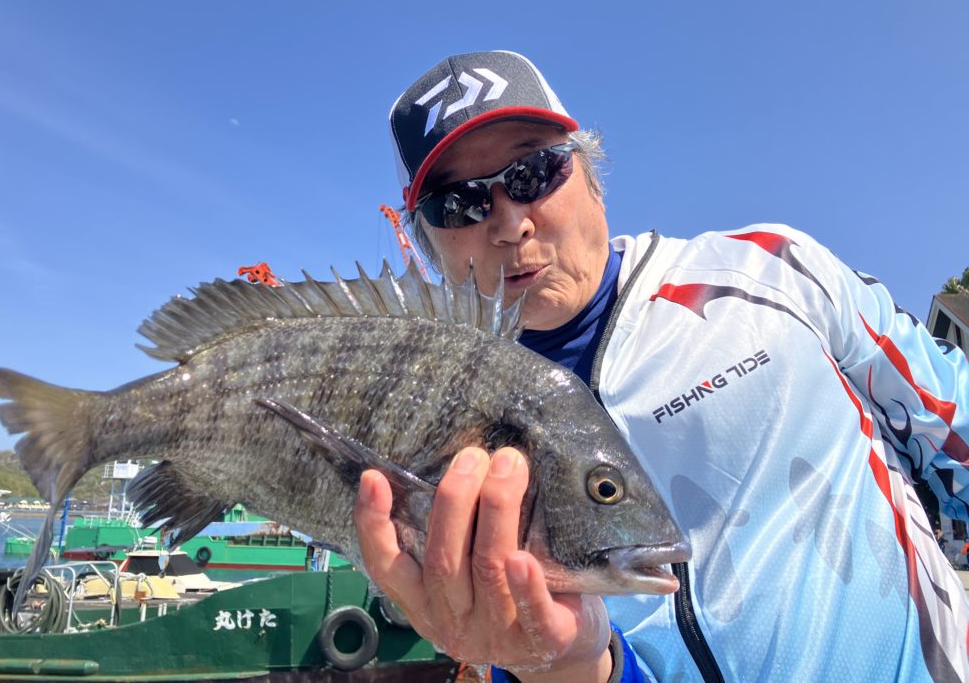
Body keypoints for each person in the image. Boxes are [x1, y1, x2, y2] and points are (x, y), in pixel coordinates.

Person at [353, 50, 969, 682]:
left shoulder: (774, 271)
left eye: (533, 172)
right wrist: (561, 666)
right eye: (458, 204)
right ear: (427, 241)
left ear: (591, 174)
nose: (510, 224)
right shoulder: (428, 410)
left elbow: (957, 428)